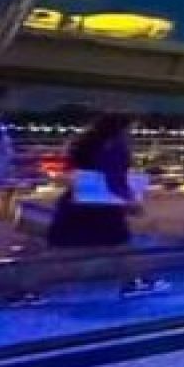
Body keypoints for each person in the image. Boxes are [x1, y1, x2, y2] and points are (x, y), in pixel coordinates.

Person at [46, 113, 168, 297]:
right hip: (103, 205)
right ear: (120, 129)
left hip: (77, 202)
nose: (132, 134)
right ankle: (135, 282)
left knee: (61, 251)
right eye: (131, 129)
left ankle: (26, 290)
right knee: (120, 245)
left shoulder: (86, 143)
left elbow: (76, 173)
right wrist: (131, 202)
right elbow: (115, 179)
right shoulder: (115, 146)